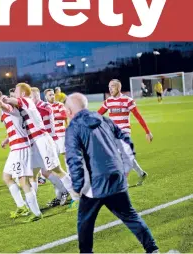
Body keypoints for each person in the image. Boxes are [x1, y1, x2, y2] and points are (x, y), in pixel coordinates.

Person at [65, 93, 159, 254]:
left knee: (85, 223)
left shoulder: (73, 127)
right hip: (116, 177)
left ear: (68, 111)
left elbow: (74, 159)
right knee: (131, 216)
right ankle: (152, 249)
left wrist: (77, 185)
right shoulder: (104, 119)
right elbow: (125, 142)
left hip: (95, 184)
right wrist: (124, 169)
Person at [3, 83, 79, 211]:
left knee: (57, 170)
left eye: (16, 92)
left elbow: (15, 101)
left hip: (44, 140)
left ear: (24, 94)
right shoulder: (27, 107)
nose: (14, 94)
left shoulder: (31, 103)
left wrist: (3, 99)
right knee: (34, 174)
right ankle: (32, 206)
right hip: (35, 143)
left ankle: (76, 198)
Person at [0, 83, 42, 222]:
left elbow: (1, 103)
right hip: (15, 148)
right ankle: (22, 206)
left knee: (24, 181)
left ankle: (36, 213)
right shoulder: (5, 109)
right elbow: (16, 126)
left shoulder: (8, 106)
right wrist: (7, 139)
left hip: (21, 148)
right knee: (7, 177)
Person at [98, 79, 152, 186]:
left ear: (118, 87)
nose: (110, 89)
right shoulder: (108, 101)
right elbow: (98, 114)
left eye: (112, 86)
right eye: (109, 87)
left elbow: (138, 116)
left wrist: (147, 131)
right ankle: (141, 173)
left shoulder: (128, 100)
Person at [30, 87, 70, 207]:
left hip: (50, 141)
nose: (30, 99)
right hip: (45, 142)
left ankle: (75, 195)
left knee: (57, 169)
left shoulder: (43, 107)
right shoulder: (37, 107)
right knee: (46, 171)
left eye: (32, 97)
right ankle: (61, 194)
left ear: (38, 96)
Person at [44, 88, 68, 167]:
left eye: (53, 94)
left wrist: (52, 116)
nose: (52, 96)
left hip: (61, 134)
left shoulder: (59, 104)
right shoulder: (44, 107)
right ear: (46, 97)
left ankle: (70, 174)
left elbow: (64, 116)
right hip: (50, 136)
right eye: (50, 95)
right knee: (52, 157)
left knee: (65, 155)